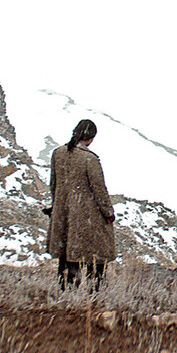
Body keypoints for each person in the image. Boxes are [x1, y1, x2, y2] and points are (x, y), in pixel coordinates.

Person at [47, 119, 116, 292]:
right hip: (87, 216)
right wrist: (108, 213)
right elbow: (99, 189)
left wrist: (57, 207)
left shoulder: (58, 153)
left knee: (68, 255)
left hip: (64, 213)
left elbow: (53, 184)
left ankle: (67, 291)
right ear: (91, 137)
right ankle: (94, 293)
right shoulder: (89, 159)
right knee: (95, 255)